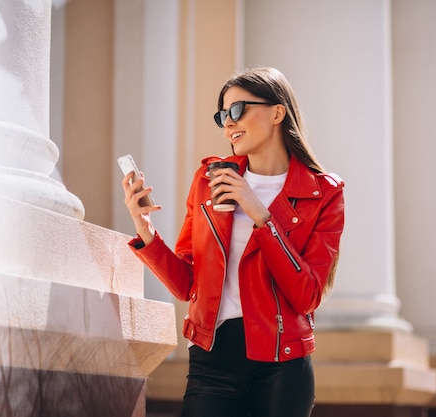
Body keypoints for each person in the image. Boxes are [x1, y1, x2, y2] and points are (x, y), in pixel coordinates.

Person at [122, 67, 345, 417]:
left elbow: (307, 294)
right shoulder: (209, 180)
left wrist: (261, 216)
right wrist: (145, 228)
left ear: (277, 112)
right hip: (212, 362)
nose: (228, 122)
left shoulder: (323, 192)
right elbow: (187, 285)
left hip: (282, 366)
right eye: (222, 114)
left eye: (238, 110)